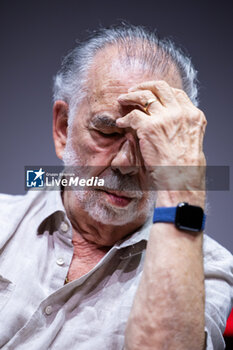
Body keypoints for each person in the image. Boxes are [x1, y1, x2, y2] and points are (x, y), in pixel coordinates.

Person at [0, 24, 232, 350]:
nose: (125, 163)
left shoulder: (208, 269)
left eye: (149, 141)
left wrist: (183, 184)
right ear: (63, 128)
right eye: (107, 133)